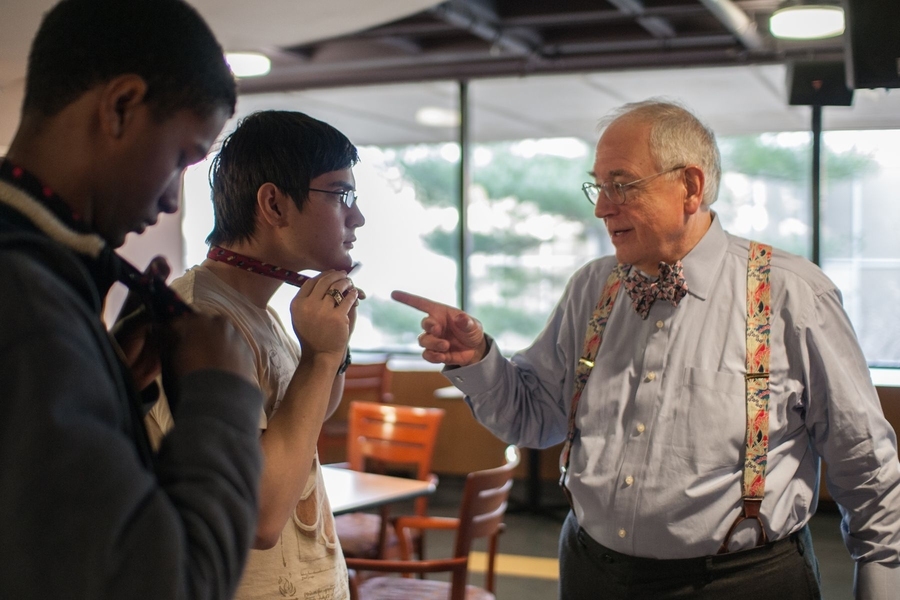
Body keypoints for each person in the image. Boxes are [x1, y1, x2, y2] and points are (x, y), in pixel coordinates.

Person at [392, 99, 900, 599]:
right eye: (598, 184)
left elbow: (866, 466)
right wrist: (479, 359)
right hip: (592, 571)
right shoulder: (592, 288)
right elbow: (535, 418)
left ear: (690, 186)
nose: (600, 206)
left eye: (622, 184)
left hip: (744, 582)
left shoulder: (792, 294)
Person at [0, 1, 265, 599]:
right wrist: (222, 399)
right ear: (120, 107)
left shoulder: (39, 288)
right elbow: (167, 587)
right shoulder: (28, 307)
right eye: (181, 158)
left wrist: (105, 378)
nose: (173, 200)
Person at [145, 110, 364, 599]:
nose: (357, 217)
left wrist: (333, 346)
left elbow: (306, 419)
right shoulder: (200, 319)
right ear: (274, 204)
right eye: (340, 195)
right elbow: (259, 513)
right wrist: (322, 358)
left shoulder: (257, 310)